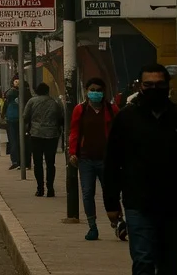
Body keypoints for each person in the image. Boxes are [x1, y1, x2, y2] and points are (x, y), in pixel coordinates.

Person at [104, 64, 177, 275]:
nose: (154, 89)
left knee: (169, 264)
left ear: (168, 86)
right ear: (140, 86)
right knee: (143, 260)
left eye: (159, 85)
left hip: (174, 203)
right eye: (148, 85)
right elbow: (112, 162)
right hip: (138, 202)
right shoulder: (126, 119)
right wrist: (111, 202)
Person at [68, 77, 118, 240]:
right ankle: (92, 227)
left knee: (110, 192)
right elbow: (75, 132)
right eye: (92, 90)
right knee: (88, 192)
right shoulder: (80, 110)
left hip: (107, 159)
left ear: (104, 92)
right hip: (86, 159)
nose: (95, 93)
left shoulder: (112, 109)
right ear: (87, 91)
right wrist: (73, 152)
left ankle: (117, 222)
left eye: (99, 90)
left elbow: (119, 133)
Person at [23, 81, 63, 197]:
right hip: (52, 135)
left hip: (36, 134)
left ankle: (40, 189)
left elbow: (25, 116)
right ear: (47, 91)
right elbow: (61, 118)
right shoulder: (55, 102)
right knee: (50, 163)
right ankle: (50, 188)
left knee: (38, 163)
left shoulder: (32, 101)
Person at [4, 77, 21, 169]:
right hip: (20, 118)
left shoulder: (9, 94)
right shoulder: (22, 93)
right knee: (20, 139)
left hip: (10, 119)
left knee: (13, 139)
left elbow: (4, 106)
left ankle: (14, 160)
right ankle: (20, 160)